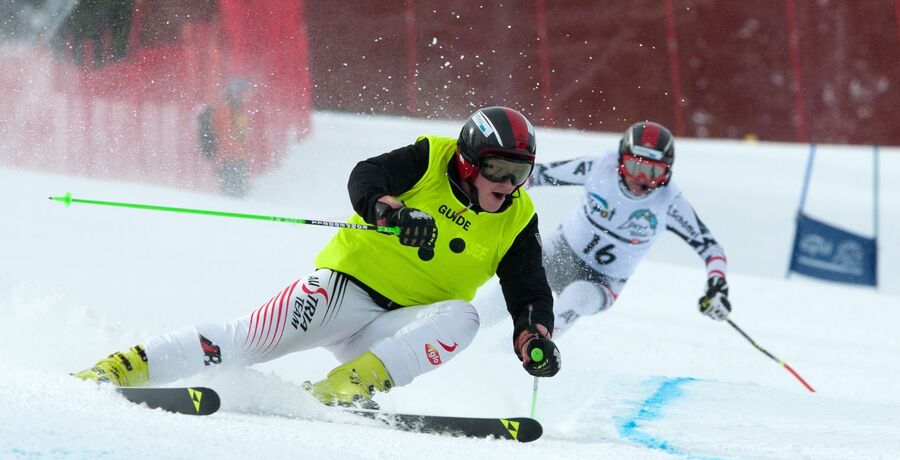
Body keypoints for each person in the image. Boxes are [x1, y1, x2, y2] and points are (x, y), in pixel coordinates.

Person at [74, 106, 562, 408]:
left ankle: (342, 389)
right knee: (245, 342)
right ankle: (123, 367)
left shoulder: (517, 218)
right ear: (468, 161)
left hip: (395, 329)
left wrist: (532, 335)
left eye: (519, 173)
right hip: (342, 293)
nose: (507, 184)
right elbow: (366, 175)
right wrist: (389, 210)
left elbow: (529, 288)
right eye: (498, 169)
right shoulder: (431, 158)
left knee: (464, 318)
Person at [479, 120, 730, 335]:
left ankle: (514, 357)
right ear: (620, 161)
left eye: (653, 172)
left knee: (576, 297)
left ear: (667, 173)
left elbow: (712, 249)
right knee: (507, 296)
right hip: (560, 253)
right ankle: (468, 334)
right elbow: (533, 176)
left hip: (602, 282)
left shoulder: (670, 203)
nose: (640, 179)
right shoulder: (599, 167)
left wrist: (716, 285)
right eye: (634, 166)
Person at [200, 79, 253, 197]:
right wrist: (238, 156)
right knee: (233, 196)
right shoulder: (224, 109)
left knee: (235, 194)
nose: (247, 98)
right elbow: (225, 136)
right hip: (230, 160)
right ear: (237, 93)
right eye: (246, 94)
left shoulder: (235, 109)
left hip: (234, 159)